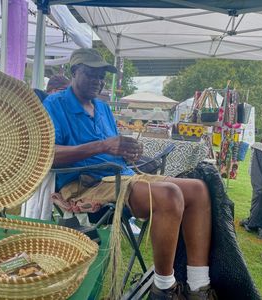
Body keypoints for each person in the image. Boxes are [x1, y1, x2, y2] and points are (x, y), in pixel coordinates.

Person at [43, 48, 216, 299]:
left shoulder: (101, 108)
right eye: (91, 73)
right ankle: (164, 288)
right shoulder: (54, 104)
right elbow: (48, 155)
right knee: (169, 195)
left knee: (198, 189)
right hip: (84, 184)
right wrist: (104, 146)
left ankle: (198, 287)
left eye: (101, 76)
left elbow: (113, 147)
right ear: (73, 72)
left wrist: (128, 152)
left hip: (121, 175)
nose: (98, 80)